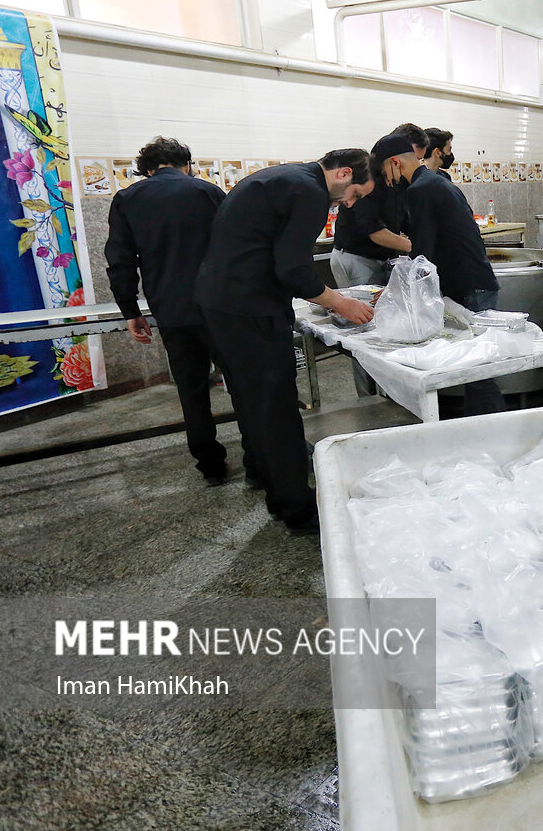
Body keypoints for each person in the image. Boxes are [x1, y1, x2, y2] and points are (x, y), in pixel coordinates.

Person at [194, 150, 376, 534]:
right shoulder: (308, 192)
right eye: (354, 193)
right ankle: (295, 509)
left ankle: (262, 475)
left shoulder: (285, 178)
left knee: (250, 398)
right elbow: (292, 269)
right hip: (250, 310)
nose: (348, 203)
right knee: (276, 407)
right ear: (344, 173)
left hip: (219, 304)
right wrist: (341, 302)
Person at [105, 136, 239, 487]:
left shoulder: (127, 198)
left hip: (170, 309)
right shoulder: (208, 192)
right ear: (186, 164)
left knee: (191, 387)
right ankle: (258, 461)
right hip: (220, 306)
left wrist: (130, 309)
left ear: (147, 169)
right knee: (240, 382)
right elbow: (236, 246)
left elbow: (119, 260)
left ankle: (210, 465)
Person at [379, 132, 506, 416]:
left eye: (384, 171)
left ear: (395, 163)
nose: (386, 180)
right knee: (474, 369)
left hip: (470, 286)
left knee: (477, 371)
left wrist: (400, 293)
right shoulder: (435, 182)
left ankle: (495, 432)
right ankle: (479, 429)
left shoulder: (420, 189)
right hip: (474, 280)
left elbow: (423, 253)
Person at [330, 125, 427, 397]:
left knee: (387, 324)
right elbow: (374, 232)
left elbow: (403, 219)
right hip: (356, 260)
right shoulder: (368, 179)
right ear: (393, 157)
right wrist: (416, 248)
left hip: (380, 260)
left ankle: (390, 392)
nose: (412, 167)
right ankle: (369, 398)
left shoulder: (395, 181)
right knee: (363, 330)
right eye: (410, 159)